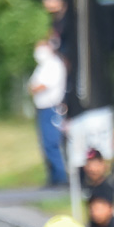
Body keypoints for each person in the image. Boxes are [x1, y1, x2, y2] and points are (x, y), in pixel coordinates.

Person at [29, 29, 69, 188]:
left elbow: (41, 86)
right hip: (42, 108)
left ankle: (61, 177)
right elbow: (32, 85)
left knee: (53, 142)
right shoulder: (42, 66)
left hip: (52, 108)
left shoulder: (54, 65)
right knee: (45, 143)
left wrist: (35, 88)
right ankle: (53, 177)